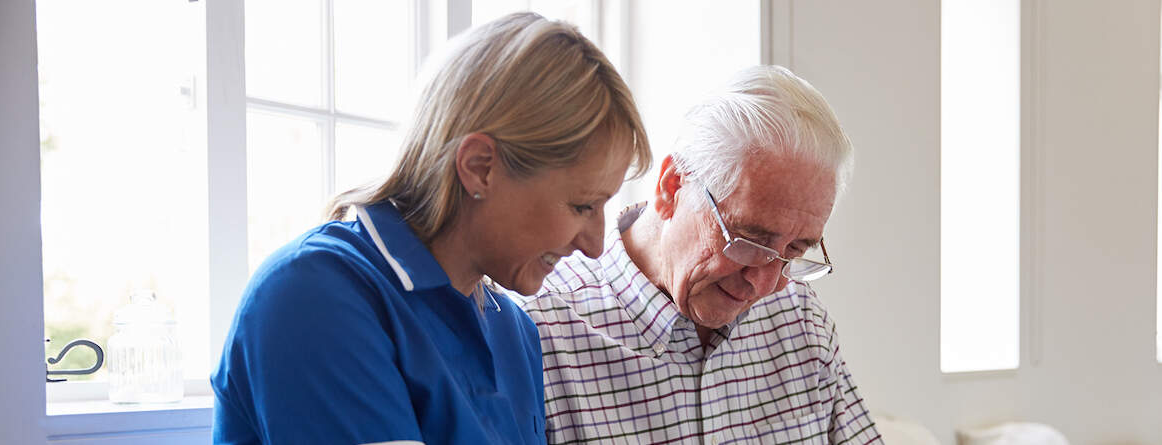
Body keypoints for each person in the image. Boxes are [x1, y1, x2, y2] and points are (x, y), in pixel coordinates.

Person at [211, 12, 651, 445]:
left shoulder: (514, 333)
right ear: (480, 168)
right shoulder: (313, 296)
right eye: (581, 206)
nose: (596, 246)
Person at [516, 65, 883, 444]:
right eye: (749, 241)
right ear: (672, 186)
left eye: (794, 250)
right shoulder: (543, 334)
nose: (766, 284)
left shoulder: (800, 322)